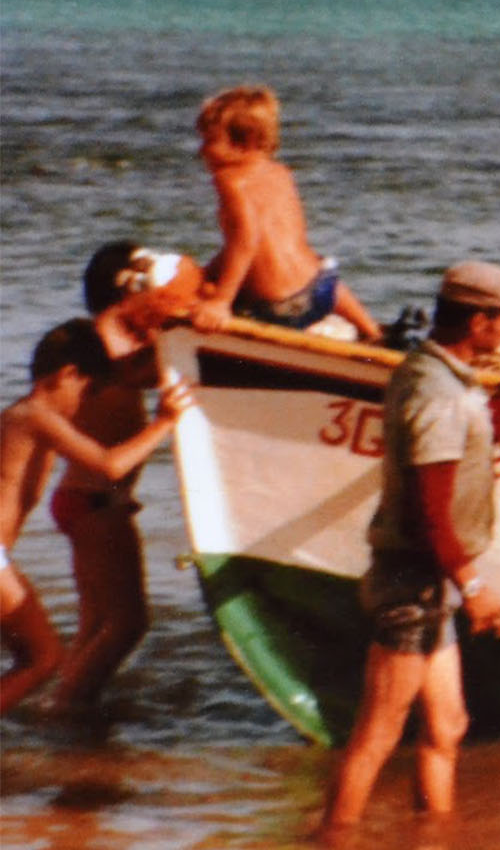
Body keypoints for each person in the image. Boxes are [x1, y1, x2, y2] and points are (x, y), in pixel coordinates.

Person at [323, 261, 500, 830]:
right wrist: (474, 588)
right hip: (415, 581)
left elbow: (488, 428)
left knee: (446, 726)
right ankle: (331, 839)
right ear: (479, 321)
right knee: (376, 735)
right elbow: (430, 517)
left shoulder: (439, 374)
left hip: (431, 583)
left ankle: (432, 836)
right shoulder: (438, 394)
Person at [1, 320, 195, 715]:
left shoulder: (19, 416)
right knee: (43, 659)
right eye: (87, 390)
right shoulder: (36, 416)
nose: (84, 402)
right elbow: (109, 466)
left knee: (36, 657)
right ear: (67, 374)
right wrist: (164, 422)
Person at [48, 242, 204, 711]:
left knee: (96, 624)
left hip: (81, 499)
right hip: (98, 503)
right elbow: (134, 373)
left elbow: (143, 367)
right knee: (127, 624)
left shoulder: (113, 345)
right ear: (125, 289)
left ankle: (60, 708)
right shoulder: (102, 349)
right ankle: (66, 712)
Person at [189, 85, 382, 341]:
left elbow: (246, 242)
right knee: (313, 264)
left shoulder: (230, 181)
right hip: (321, 290)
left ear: (244, 142)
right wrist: (209, 272)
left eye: (210, 141)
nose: (201, 150)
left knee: (210, 294)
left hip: (279, 307)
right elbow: (276, 242)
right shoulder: (281, 173)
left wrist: (220, 301)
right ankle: (373, 331)